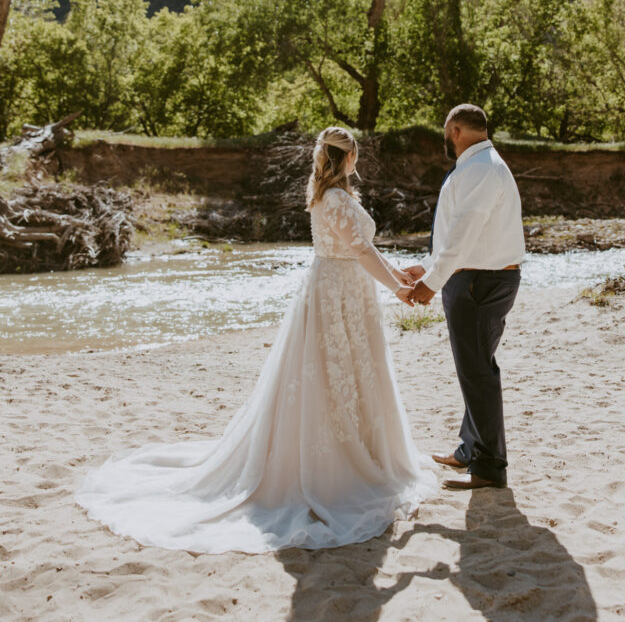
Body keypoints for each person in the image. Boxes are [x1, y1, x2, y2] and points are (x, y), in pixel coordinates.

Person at [75, 127, 436, 553]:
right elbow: (358, 252)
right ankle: (335, 469)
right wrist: (396, 289)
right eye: (356, 155)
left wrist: (400, 274)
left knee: (352, 374)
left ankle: (362, 453)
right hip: (336, 294)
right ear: (349, 158)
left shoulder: (336, 197)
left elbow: (362, 250)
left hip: (346, 292)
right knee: (331, 376)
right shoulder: (336, 199)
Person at [404, 103, 525, 491]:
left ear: (454, 130)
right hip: (480, 276)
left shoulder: (480, 168)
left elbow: (466, 229)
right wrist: (430, 267)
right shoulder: (481, 166)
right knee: (477, 367)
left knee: (476, 372)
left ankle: (489, 466)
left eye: (445, 131)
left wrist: (433, 280)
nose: (445, 138)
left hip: (478, 282)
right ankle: (471, 447)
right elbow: (462, 234)